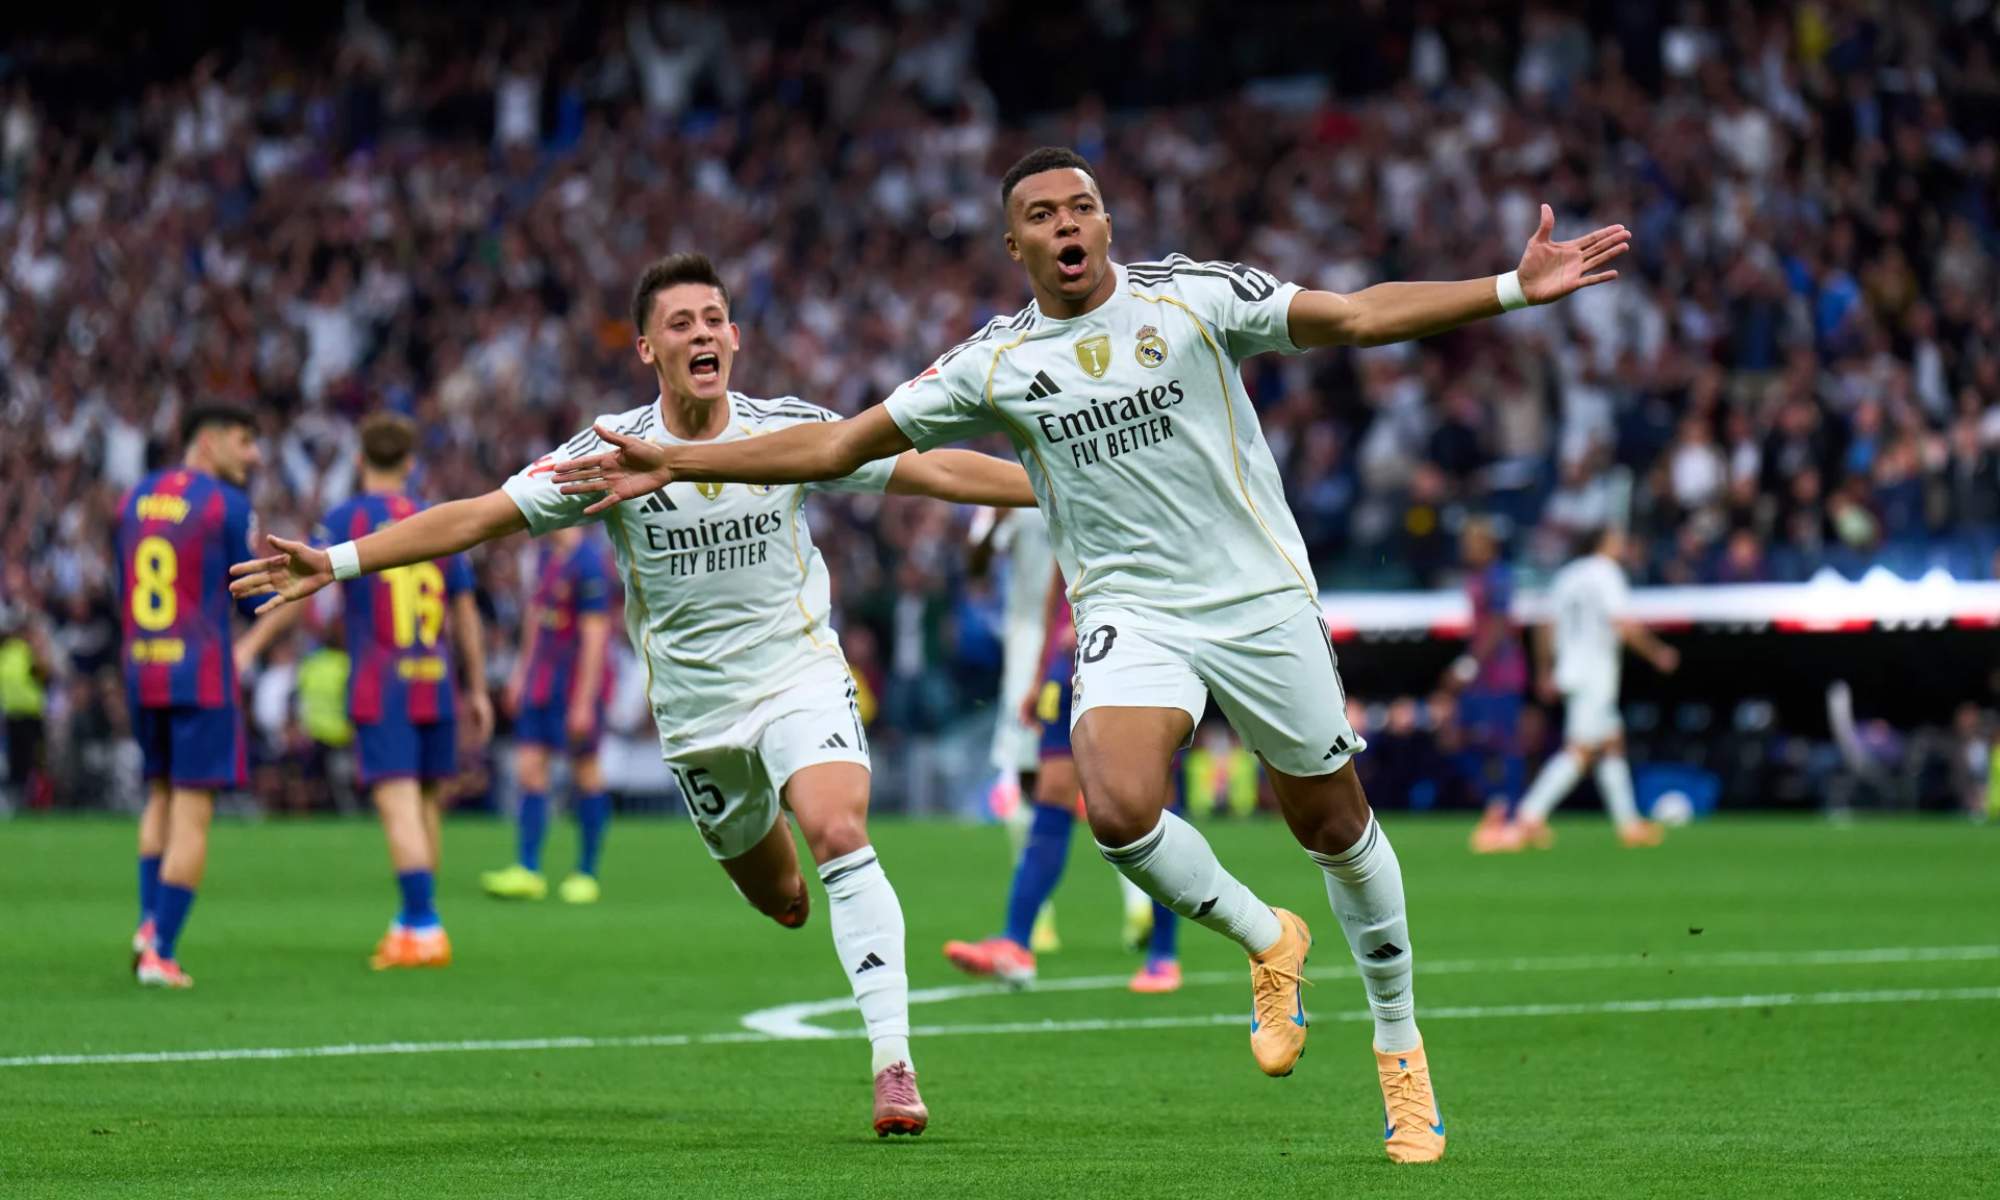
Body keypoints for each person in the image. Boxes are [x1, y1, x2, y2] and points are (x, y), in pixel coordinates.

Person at [543, 147, 1632, 1164]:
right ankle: (1266, 937)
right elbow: (835, 445)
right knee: (1112, 808)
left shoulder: (1190, 299)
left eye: (1078, 207)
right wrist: (676, 461)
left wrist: (1505, 287)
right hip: (1127, 613)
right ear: (1012, 247)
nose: (1064, 225)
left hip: (1256, 598)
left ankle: (1398, 1049)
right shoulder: (996, 362)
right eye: (1037, 216)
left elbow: (1348, 317)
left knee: (1330, 822)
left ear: (1104, 223)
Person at [229, 252, 1038, 1138]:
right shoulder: (607, 453)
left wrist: (1065, 486)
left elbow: (936, 470)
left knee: (841, 830)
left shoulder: (789, 432)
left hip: (798, 671)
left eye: (714, 318)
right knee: (786, 902)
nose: (702, 333)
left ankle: (893, 1065)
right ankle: (797, 889)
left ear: (735, 336)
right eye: (680, 323)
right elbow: (478, 516)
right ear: (647, 348)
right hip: (697, 718)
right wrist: (338, 562)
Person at [239, 413, 494, 968]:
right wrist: (476, 686)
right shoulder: (436, 520)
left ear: (359, 462)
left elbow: (301, 587)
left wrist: (252, 645)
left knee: (398, 802)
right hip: (436, 679)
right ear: (409, 463)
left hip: (384, 685)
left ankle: (423, 926)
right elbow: (465, 612)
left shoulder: (346, 518)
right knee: (426, 801)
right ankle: (416, 920)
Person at [943, 567, 1182, 992]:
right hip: (1072, 657)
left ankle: (1163, 954)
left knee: (1152, 799)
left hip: (1143, 652)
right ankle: (1016, 942)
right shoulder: (1065, 502)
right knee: (1052, 792)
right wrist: (1039, 674)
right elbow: (1059, 589)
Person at [117, 405, 266, 989]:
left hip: (143, 668)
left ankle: (147, 926)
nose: (251, 454)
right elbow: (252, 599)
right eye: (243, 440)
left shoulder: (132, 499)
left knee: (158, 795)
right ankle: (163, 951)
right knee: (193, 812)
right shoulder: (226, 504)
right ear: (207, 442)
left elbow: (119, 586)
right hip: (200, 674)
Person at [1500, 528, 1679, 849]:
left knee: (1611, 743)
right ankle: (1528, 815)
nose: (1623, 546)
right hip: (1596, 674)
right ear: (1604, 543)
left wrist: (1545, 669)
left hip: (1572, 671)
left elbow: (1544, 624)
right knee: (1579, 752)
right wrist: (1657, 652)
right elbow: (1622, 624)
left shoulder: (1567, 575)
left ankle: (1628, 824)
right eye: (1618, 540)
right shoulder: (1607, 573)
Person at [483, 525, 618, 904]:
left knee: (586, 772)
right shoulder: (544, 556)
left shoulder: (589, 563)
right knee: (529, 768)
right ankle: (528, 869)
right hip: (542, 680)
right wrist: (520, 675)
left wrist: (583, 701)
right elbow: (534, 618)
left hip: (574, 682)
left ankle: (586, 873)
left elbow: (595, 636)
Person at [1450, 520, 1531, 852]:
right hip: (1483, 677)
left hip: (1501, 675)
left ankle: (1511, 818)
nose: (1466, 547)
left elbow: (1498, 626)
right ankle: (1499, 805)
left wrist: (1470, 664)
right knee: (1459, 740)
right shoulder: (1474, 578)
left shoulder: (1499, 578)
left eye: (1473, 540)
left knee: (1507, 746)